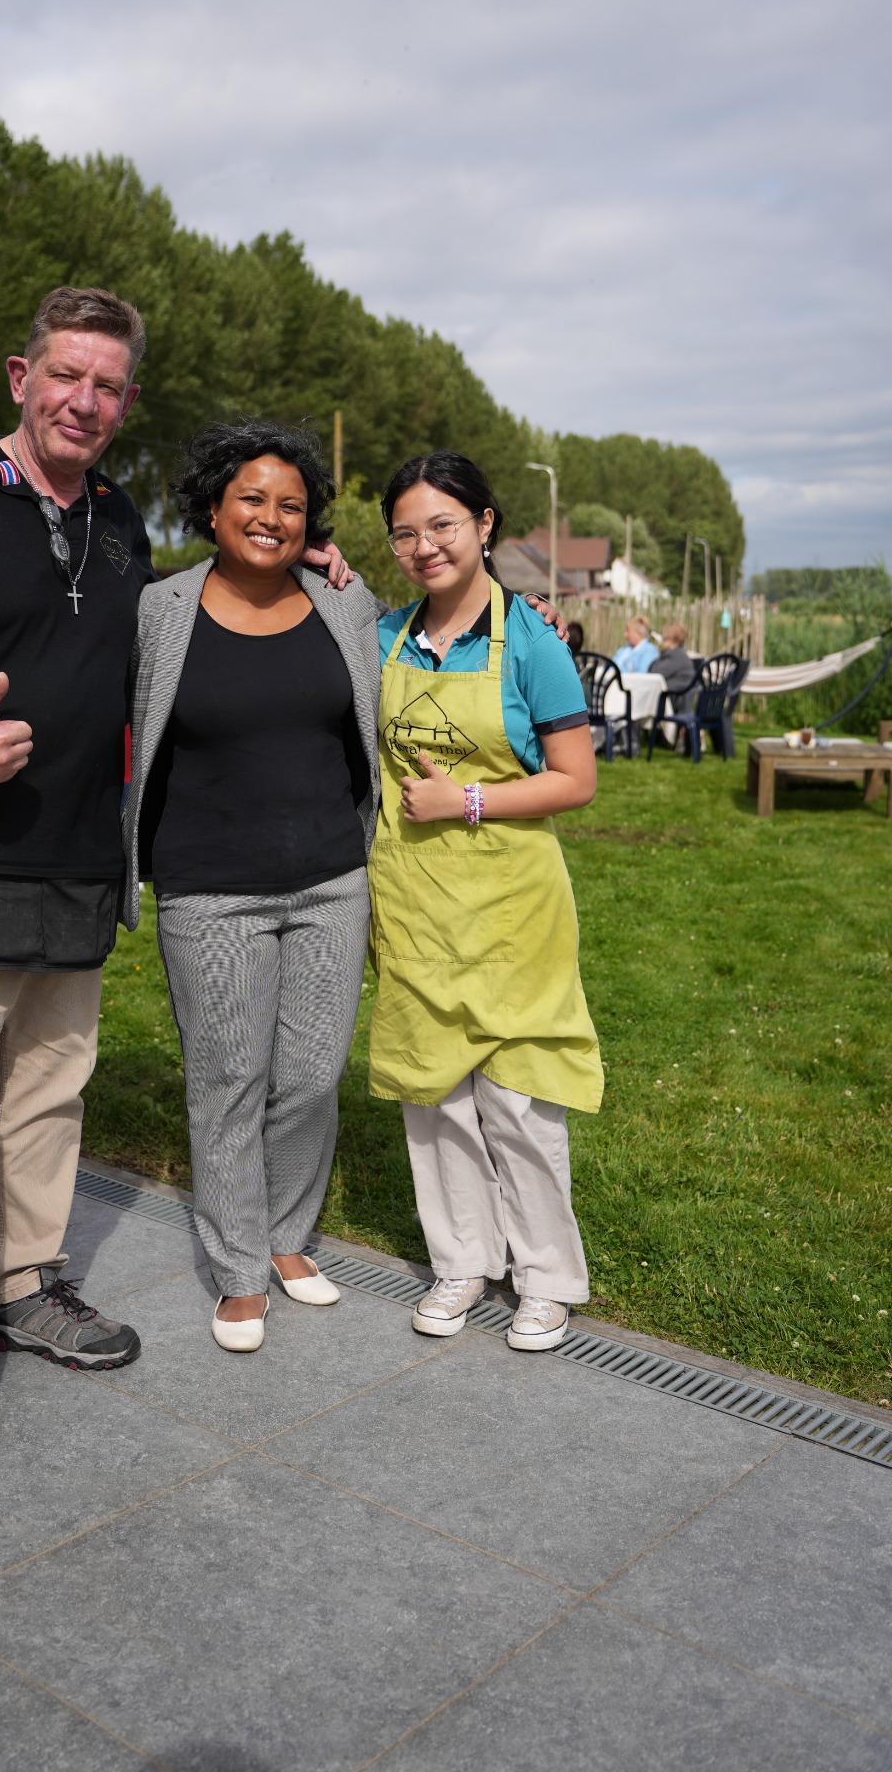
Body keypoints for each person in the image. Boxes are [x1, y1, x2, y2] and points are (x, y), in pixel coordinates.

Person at [0, 287, 355, 1412]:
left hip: (74, 861)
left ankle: (20, 1286)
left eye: (107, 386)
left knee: (49, 1097)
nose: (83, 401)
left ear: (127, 403)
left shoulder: (118, 521)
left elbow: (199, 622)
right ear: (22, 377)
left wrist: (310, 561)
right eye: (65, 374)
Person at [123, 423, 382, 1352]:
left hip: (331, 881)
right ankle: (238, 1269)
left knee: (311, 1078)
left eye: (291, 506)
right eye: (253, 499)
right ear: (212, 508)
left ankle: (286, 1236)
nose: (272, 517)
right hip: (211, 890)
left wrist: (534, 616)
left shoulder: (345, 603)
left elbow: (426, 651)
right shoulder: (160, 609)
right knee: (230, 1078)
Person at [368, 452, 603, 1353]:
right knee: (434, 1094)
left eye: (443, 525)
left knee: (518, 1097)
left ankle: (546, 1278)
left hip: (512, 908)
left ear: (485, 525)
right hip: (416, 903)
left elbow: (575, 780)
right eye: (405, 532)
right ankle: (461, 1262)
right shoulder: (382, 637)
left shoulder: (532, 642)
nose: (424, 546)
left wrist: (463, 799)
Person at [652, 620, 696, 695]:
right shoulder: (680, 654)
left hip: (675, 696)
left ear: (670, 640)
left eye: (663, 638)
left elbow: (655, 673)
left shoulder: (674, 657)